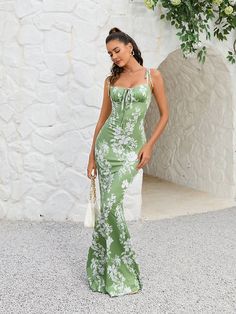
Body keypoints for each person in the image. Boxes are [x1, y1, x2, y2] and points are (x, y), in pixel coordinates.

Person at [86, 27, 169, 297]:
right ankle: (108, 272)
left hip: (131, 152)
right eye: (110, 53)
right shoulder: (111, 80)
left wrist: (149, 145)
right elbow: (102, 119)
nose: (114, 56)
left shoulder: (152, 76)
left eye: (117, 50)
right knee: (109, 209)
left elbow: (165, 115)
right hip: (106, 147)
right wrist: (91, 157)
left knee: (110, 206)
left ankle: (120, 271)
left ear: (130, 46)